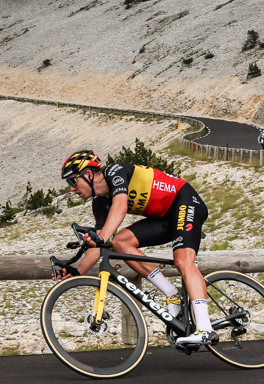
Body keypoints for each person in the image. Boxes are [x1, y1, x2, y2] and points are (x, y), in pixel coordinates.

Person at [57, 150, 217, 349]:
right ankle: (171, 293)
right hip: (165, 218)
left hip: (184, 201)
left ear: (88, 175)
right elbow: (100, 245)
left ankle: (205, 328)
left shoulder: (116, 171)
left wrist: (102, 236)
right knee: (120, 242)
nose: (72, 189)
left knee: (183, 261)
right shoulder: (100, 204)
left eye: (72, 182)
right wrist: (76, 271)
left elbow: (121, 206)